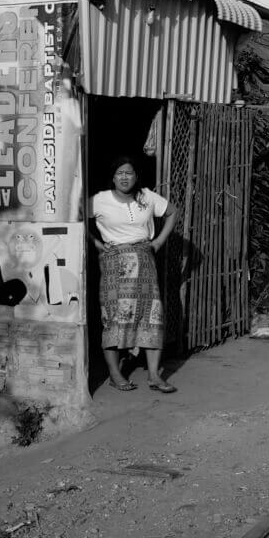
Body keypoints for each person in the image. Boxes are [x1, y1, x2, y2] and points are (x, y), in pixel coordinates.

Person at [88, 156, 179, 393]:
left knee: (152, 316)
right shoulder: (99, 200)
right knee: (114, 317)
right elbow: (76, 219)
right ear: (113, 177)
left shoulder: (147, 197)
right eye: (120, 173)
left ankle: (154, 376)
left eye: (129, 173)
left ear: (136, 176)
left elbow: (172, 212)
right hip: (114, 264)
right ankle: (115, 374)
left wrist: (158, 241)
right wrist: (96, 243)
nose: (124, 177)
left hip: (145, 262)